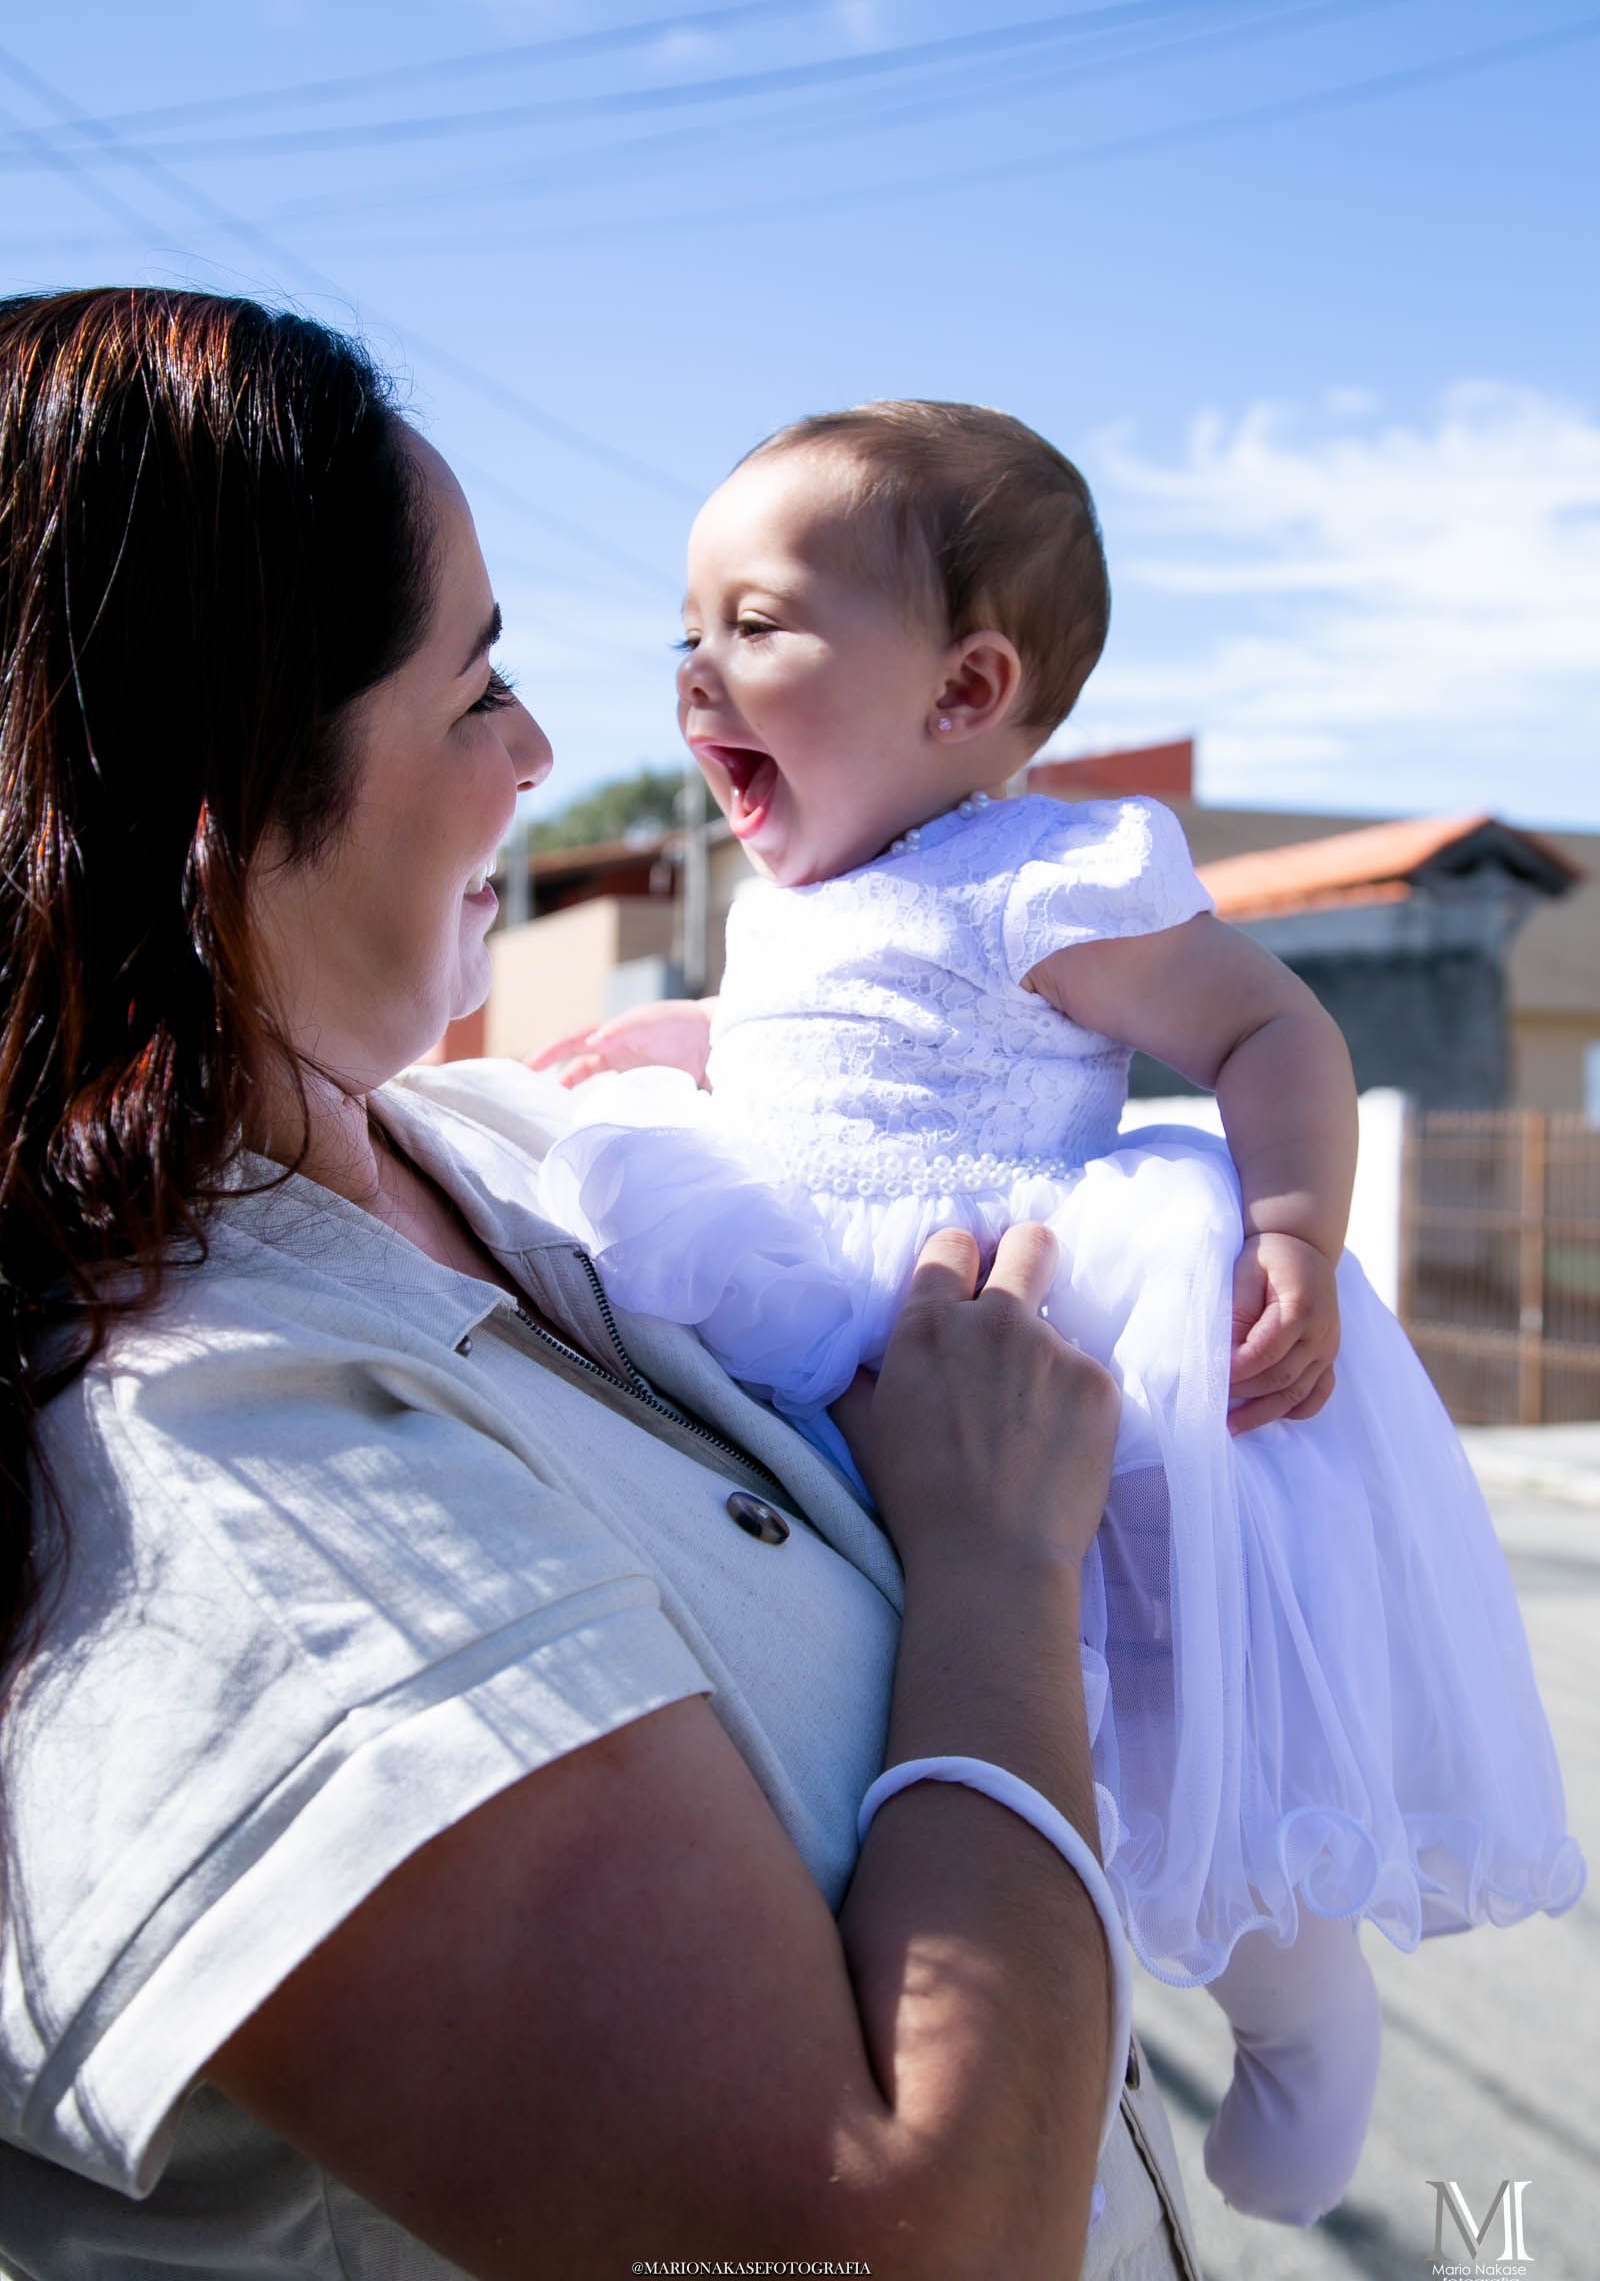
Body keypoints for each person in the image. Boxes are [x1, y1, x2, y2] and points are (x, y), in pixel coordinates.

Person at [0, 289, 1207, 2280]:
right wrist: (999, 1567)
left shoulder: (505, 1153)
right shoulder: (217, 1473)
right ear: (216, 817)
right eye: (477, 689)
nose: (550, 749)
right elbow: (911, 2245)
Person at [532, 399, 1585, 2228]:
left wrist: (1296, 1234)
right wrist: (691, 1041)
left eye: (756, 623)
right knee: (923, 1740)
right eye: (683, 629)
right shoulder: (786, 899)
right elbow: (833, 1066)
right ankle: (1028, 2028)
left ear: (965, 692)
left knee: (1178, 1694)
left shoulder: (1036, 880)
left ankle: (1294, 2007)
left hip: (1038, 1346)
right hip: (848, 1341)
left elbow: (1271, 1028)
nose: (696, 669)